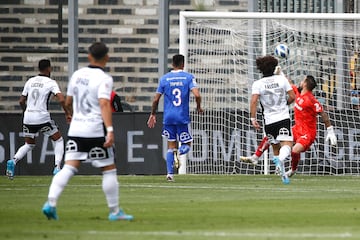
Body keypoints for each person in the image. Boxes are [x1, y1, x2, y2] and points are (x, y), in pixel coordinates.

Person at [42, 42, 133, 221]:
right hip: (95, 130)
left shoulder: (77, 75)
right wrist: (110, 130)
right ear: (106, 58)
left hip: (76, 130)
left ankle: (50, 203)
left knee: (68, 167)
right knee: (108, 169)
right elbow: (104, 104)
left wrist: (70, 115)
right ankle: (115, 212)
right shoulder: (104, 79)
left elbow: (67, 102)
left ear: (89, 56)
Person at [6, 59, 67, 179]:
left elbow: (21, 101)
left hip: (28, 117)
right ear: (49, 68)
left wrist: (25, 112)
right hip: (42, 117)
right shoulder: (50, 82)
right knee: (58, 140)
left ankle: (13, 161)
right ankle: (57, 167)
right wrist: (67, 113)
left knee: (29, 144)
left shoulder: (30, 81)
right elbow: (61, 99)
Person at [147, 54, 203, 182]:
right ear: (183, 64)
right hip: (182, 116)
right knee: (187, 143)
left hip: (168, 117)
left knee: (171, 145)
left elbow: (156, 99)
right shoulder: (188, 77)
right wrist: (199, 106)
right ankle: (180, 152)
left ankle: (170, 174)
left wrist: (153, 114)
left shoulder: (164, 79)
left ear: (172, 64)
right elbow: (197, 95)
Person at [241, 56, 295, 184]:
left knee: (275, 146)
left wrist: (253, 118)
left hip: (268, 122)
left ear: (261, 69)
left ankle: (281, 172)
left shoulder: (258, 84)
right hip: (282, 118)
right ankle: (280, 160)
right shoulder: (282, 80)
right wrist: (285, 104)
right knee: (287, 144)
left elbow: (254, 101)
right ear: (274, 67)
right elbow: (293, 96)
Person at [286, 75, 337, 177]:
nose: (300, 82)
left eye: (302, 80)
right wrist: (280, 72)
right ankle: (277, 164)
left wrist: (330, 131)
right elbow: (289, 83)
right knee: (277, 139)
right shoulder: (299, 93)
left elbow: (323, 114)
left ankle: (293, 170)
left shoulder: (311, 100)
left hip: (307, 133)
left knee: (295, 150)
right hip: (296, 129)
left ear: (305, 83)